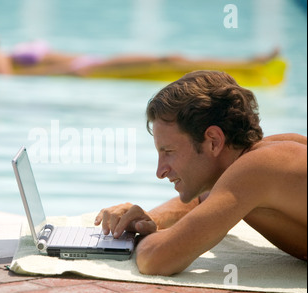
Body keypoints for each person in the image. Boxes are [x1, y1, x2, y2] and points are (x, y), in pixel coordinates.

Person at [95, 70, 307, 276]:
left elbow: (155, 258)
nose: (160, 172)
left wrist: (137, 239)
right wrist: (150, 219)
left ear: (213, 141)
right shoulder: (260, 161)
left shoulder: (259, 168)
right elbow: (203, 200)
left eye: (169, 151)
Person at [0, 24, 280, 77]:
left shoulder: (4, 50)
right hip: (87, 68)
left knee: (171, 58)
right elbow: (9, 81)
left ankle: (245, 64)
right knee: (168, 59)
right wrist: (66, 72)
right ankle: (246, 65)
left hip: (90, 63)